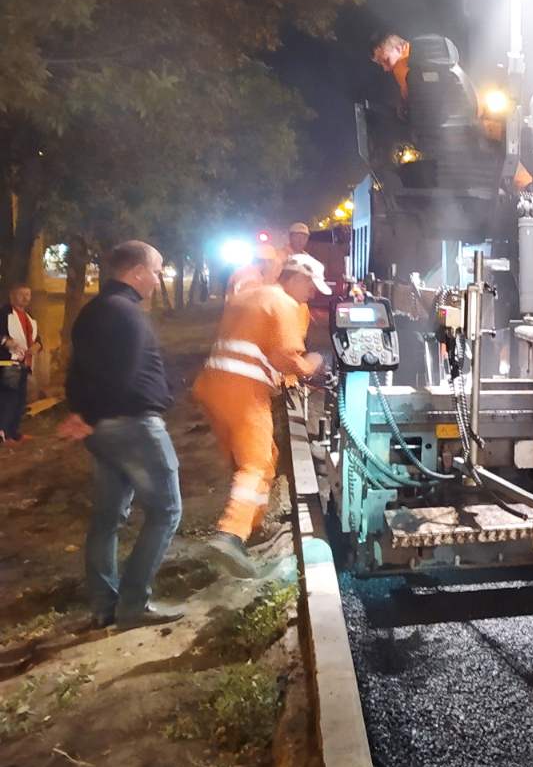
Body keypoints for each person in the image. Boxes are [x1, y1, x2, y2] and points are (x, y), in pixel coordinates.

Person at [56, 242, 185, 628]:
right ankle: (132, 606)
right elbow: (124, 375)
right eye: (158, 270)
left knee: (108, 517)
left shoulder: (92, 312)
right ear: (137, 272)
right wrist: (90, 415)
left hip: (103, 430)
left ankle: (102, 606)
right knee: (166, 511)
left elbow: (76, 371)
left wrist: (81, 414)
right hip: (134, 426)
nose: (160, 277)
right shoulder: (126, 314)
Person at [193, 253, 329, 571]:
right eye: (311, 287)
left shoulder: (249, 295)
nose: (311, 295)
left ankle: (250, 530)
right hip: (244, 392)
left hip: (212, 386)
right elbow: (284, 356)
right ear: (298, 278)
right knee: (255, 464)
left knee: (262, 458)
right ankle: (230, 535)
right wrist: (312, 364)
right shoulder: (281, 303)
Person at [1, 281, 42, 443]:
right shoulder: (4, 314)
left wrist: (37, 346)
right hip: (8, 363)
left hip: (25, 364)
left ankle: (13, 432)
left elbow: (38, 339)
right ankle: (3, 432)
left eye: (28, 295)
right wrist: (6, 341)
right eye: (21, 294)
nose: (25, 298)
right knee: (8, 398)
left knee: (20, 399)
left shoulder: (30, 317)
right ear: (12, 296)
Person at [370, 31, 410, 106]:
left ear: (398, 49)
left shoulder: (414, 56)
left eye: (386, 61)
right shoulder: (396, 67)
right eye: (381, 64)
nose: (385, 69)